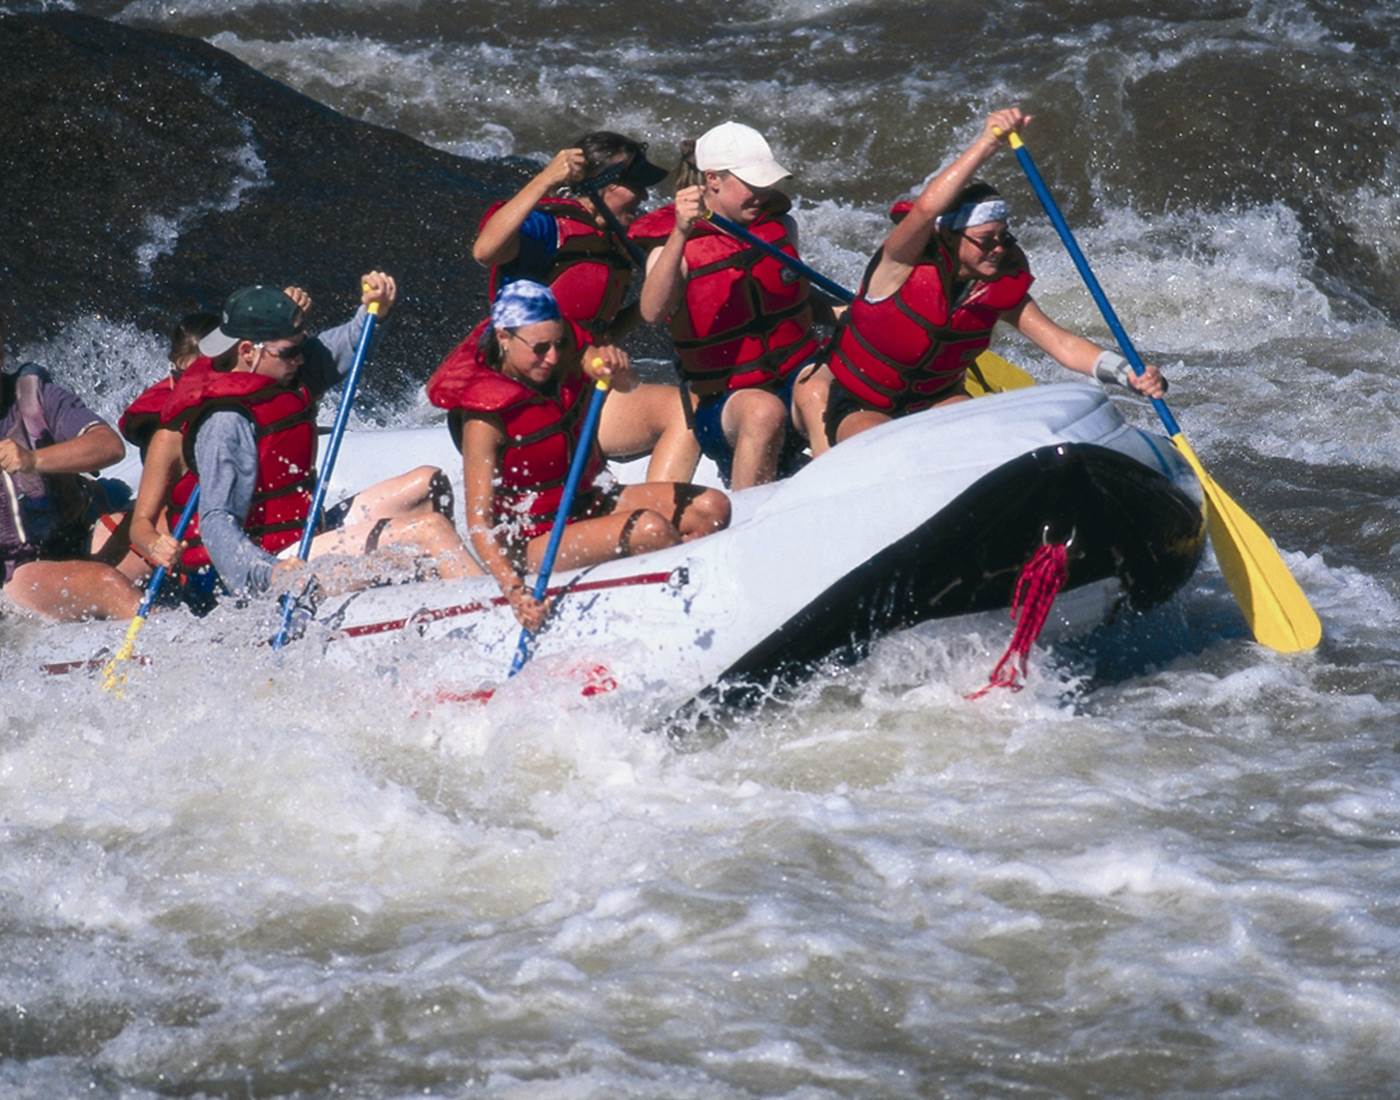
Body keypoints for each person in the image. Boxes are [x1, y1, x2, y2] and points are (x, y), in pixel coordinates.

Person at [820, 107, 1167, 448]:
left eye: (1004, 238)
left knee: (989, 443)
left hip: (937, 400)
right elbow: (926, 209)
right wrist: (989, 142)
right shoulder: (898, 265)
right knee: (882, 446)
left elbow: (1062, 344)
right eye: (985, 240)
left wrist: (1127, 373)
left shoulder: (996, 288)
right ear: (950, 237)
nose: (998, 249)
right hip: (863, 403)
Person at [129, 276, 481, 604]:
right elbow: (218, 523)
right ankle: (483, 611)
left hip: (306, 535)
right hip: (269, 567)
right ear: (248, 351)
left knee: (428, 482)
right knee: (430, 531)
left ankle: (442, 590)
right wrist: (268, 573)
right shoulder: (226, 422)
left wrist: (375, 310)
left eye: (300, 348)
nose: (300, 359)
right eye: (289, 352)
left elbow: (343, 348)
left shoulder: (285, 374)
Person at [426, 281, 730, 632]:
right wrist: (514, 591)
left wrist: (620, 371)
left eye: (558, 343)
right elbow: (479, 523)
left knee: (712, 508)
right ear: (504, 338)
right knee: (650, 529)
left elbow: (628, 385)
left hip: (591, 500)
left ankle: (699, 600)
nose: (552, 358)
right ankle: (670, 619)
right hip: (534, 540)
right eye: (540, 348)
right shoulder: (484, 418)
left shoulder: (570, 354)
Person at [471, 131, 699, 482]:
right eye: (632, 184)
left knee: (687, 411)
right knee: (683, 412)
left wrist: (648, 305)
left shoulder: (614, 243)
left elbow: (600, 330)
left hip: (581, 387)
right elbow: (485, 251)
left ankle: (659, 516)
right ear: (601, 185)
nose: (642, 195)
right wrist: (547, 177)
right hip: (530, 398)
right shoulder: (547, 228)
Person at [632, 121, 836, 490]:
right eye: (751, 184)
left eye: (765, 182)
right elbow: (652, 312)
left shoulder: (780, 226)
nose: (762, 193)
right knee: (763, 410)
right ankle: (750, 520)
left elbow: (796, 299)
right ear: (713, 180)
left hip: (792, 378)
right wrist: (680, 232)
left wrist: (854, 315)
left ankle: (837, 494)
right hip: (725, 405)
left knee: (822, 386)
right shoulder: (672, 249)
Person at [0, 312, 144, 621]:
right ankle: (170, 653)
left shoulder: (34, 397)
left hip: (77, 540)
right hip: (19, 576)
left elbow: (109, 446)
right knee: (105, 584)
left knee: (162, 526)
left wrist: (33, 460)